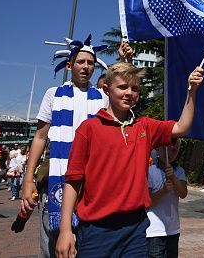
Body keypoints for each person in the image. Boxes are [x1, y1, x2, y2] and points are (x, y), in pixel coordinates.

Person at [55, 62, 203, 258]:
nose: (129, 93)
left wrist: (191, 91)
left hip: (136, 229)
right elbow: (73, 181)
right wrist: (65, 230)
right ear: (107, 89)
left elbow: (182, 127)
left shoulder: (145, 126)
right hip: (96, 230)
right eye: (122, 87)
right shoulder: (88, 128)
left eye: (134, 88)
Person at [20, 36, 130, 258]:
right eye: (81, 62)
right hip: (57, 181)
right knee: (52, 247)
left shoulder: (102, 97)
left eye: (90, 63)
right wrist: (28, 179)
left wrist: (124, 61)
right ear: (70, 65)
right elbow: (40, 138)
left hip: (91, 186)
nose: (86, 67)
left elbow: (124, 100)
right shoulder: (53, 94)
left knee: (87, 247)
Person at [146, 139, 188, 258]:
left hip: (173, 229)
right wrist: (164, 191)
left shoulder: (179, 171)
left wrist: (173, 177)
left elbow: (183, 193)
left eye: (175, 150)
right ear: (159, 149)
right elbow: (147, 202)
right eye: (167, 148)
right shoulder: (150, 171)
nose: (171, 152)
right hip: (154, 230)